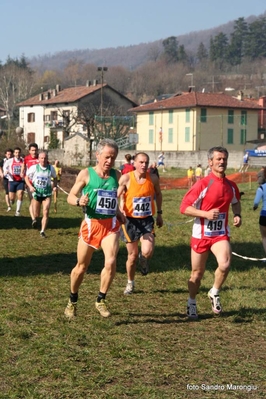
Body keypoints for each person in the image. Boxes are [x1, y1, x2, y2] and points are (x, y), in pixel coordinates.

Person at [64, 139, 126, 319]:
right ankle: (72, 300)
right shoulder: (86, 174)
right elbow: (71, 196)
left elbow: (111, 198)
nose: (109, 161)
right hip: (91, 225)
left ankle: (100, 299)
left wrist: (118, 211)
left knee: (111, 261)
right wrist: (78, 201)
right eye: (107, 157)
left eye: (113, 158)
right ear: (97, 155)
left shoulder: (117, 174)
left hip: (110, 225)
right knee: (81, 267)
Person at [180, 146, 242, 320]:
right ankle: (191, 301)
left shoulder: (231, 186)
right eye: (218, 159)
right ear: (210, 162)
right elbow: (184, 207)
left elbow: (236, 202)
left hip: (220, 234)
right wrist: (205, 214)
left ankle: (214, 292)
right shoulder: (203, 184)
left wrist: (237, 214)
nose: (222, 162)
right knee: (197, 274)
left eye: (224, 159)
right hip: (201, 234)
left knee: (225, 264)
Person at [118, 152, 163, 294]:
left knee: (147, 251)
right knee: (131, 257)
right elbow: (118, 194)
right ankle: (130, 283)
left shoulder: (153, 178)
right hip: (130, 221)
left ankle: (143, 260)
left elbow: (159, 194)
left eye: (146, 162)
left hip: (147, 219)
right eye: (141, 162)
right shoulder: (126, 178)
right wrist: (120, 208)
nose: (144, 165)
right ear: (135, 164)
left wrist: (160, 213)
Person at [25, 151, 57, 238]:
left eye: (45, 158)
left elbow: (55, 177)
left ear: (47, 159)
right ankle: (34, 218)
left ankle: (42, 231)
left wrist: (54, 186)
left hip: (46, 194)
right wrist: (30, 186)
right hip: (37, 193)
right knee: (36, 214)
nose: (43, 160)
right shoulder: (34, 168)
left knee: (46, 211)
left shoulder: (51, 168)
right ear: (38, 159)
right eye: (42, 158)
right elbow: (26, 178)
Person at [3, 147, 25, 216]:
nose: (17, 154)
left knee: (20, 194)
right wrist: (5, 172)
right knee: (11, 197)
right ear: (14, 153)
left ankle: (17, 212)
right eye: (16, 152)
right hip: (12, 180)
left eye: (18, 152)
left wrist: (24, 174)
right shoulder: (10, 160)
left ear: (20, 153)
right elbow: (4, 167)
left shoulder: (23, 160)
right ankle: (12, 200)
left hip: (20, 181)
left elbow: (26, 169)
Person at [22, 143, 39, 224]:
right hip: (30, 182)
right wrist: (22, 172)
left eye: (35, 150)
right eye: (32, 150)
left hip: (39, 184)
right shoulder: (26, 158)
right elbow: (23, 167)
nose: (34, 152)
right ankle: (33, 219)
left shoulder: (41, 158)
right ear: (29, 151)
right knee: (32, 199)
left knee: (37, 201)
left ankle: (35, 216)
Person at [253, 182, 266, 254]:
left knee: (264, 237)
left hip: (264, 215)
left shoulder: (261, 188)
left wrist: (255, 207)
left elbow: (256, 202)